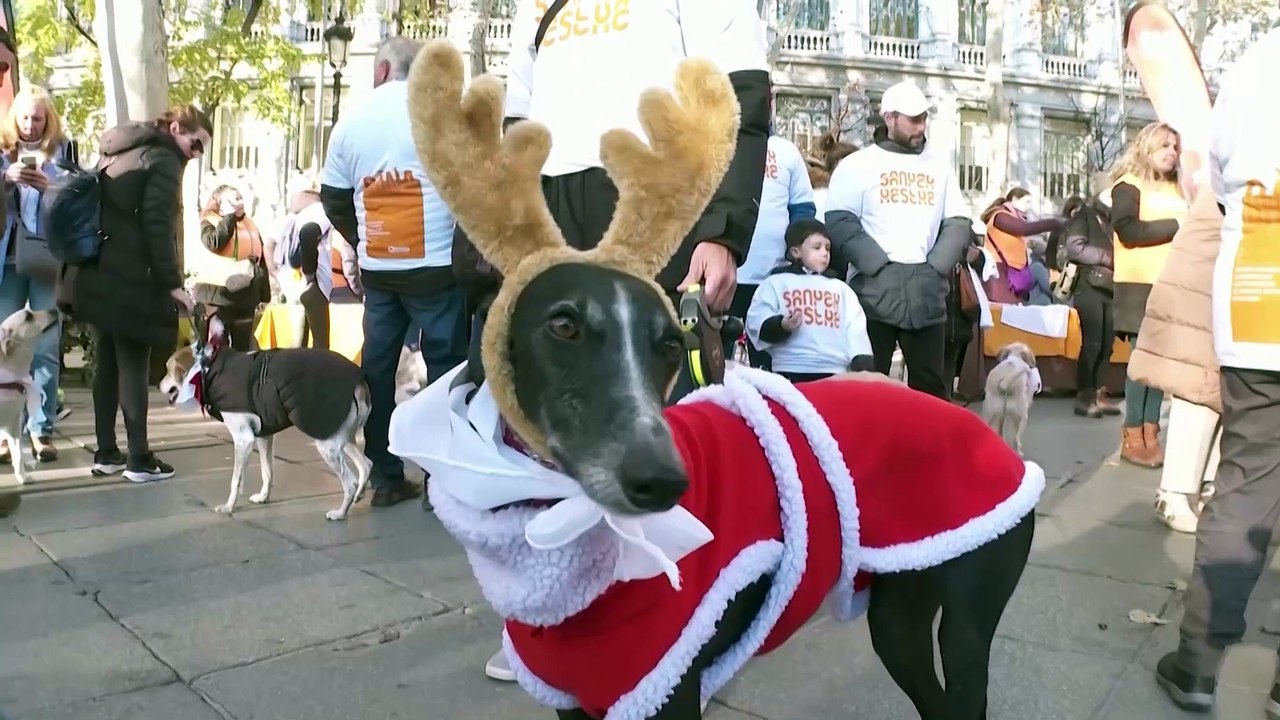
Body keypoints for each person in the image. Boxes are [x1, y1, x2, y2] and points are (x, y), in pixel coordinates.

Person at [448, 0, 770, 683]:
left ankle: (673, 623)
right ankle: (543, 616)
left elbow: (741, 90)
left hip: (653, 197)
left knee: (657, 411)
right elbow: (515, 118)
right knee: (534, 425)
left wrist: (723, 229)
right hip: (548, 200)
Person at [1154, 26, 1280, 716]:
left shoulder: (1262, 60)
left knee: (1247, 480)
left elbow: (1224, 179)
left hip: (1264, 284)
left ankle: (1198, 664)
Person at [320, 37, 469, 508]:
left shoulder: (351, 121)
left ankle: (384, 476)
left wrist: (363, 238)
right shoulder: (443, 114)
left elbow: (333, 198)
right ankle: (441, 481)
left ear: (383, 69)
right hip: (438, 267)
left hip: (381, 269)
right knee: (446, 372)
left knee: (378, 368)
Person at [62, 105, 209, 482]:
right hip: (132, 276)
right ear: (176, 129)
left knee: (106, 364)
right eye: (196, 144)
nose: (196, 154)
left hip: (97, 269)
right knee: (133, 365)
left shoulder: (118, 150)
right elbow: (157, 224)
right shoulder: (163, 159)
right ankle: (140, 458)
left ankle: (106, 453)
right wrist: (172, 283)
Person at [824, 80, 971, 400]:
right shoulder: (857, 165)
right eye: (914, 119)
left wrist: (934, 268)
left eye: (924, 118)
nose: (922, 126)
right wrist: (877, 265)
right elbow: (840, 221)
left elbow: (958, 222)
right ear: (889, 118)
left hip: (925, 291)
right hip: (873, 290)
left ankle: (926, 436)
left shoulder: (939, 166)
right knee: (868, 387)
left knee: (930, 390)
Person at [1127, 187, 1224, 534]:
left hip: (1211, 279)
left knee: (1216, 390)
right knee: (1198, 386)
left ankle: (1204, 489)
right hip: (1204, 284)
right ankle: (1177, 492)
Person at [0, 85, 77, 463]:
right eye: (25, 118)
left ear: (49, 120)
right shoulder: (3, 152)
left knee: (46, 347)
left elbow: (79, 204)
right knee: (3, 346)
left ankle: (41, 429)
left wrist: (53, 188)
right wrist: (5, 179)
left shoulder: (64, 154)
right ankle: (3, 432)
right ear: (14, 118)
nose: (30, 125)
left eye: (38, 118)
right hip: (7, 261)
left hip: (47, 259)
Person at [1106, 122, 1188, 467]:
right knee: (1143, 361)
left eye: (1175, 146)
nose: (1171, 152)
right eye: (1164, 145)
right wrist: (1176, 225)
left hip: (1173, 283)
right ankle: (1133, 434)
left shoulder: (1179, 188)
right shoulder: (1129, 185)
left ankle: (1151, 433)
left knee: (1160, 365)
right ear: (1147, 147)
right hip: (1139, 285)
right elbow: (1128, 230)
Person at [746, 218, 872, 382]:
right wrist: (781, 326)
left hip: (834, 368)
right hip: (790, 366)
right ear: (796, 252)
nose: (824, 253)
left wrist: (861, 360)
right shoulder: (776, 283)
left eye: (827, 248)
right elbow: (757, 320)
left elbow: (855, 326)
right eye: (817, 247)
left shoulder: (840, 289)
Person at [733, 128, 816, 368]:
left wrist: (797, 255)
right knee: (717, 364)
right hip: (723, 273)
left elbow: (802, 208)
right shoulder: (715, 141)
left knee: (768, 365)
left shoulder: (785, 150)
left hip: (773, 276)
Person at [193, 184, 269, 350]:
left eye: (241, 198)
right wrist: (228, 217)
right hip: (217, 298)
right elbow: (214, 243)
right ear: (221, 204)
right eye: (235, 199)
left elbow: (260, 259)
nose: (240, 202)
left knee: (242, 350)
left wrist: (264, 294)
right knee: (214, 348)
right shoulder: (210, 222)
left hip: (245, 298)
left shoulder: (250, 225)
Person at [1064, 191, 1118, 418]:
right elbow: (1074, 248)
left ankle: (1097, 393)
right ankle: (1084, 398)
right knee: (1092, 343)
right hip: (1089, 286)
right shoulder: (1085, 216)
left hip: (1110, 287)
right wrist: (1107, 257)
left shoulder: (1112, 221)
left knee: (1107, 344)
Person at [979, 187, 1064, 304]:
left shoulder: (1011, 218)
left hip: (1014, 274)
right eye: (1027, 202)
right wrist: (1053, 223)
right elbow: (1025, 229)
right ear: (1014, 199)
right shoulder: (1000, 216)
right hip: (1000, 273)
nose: (1028, 206)